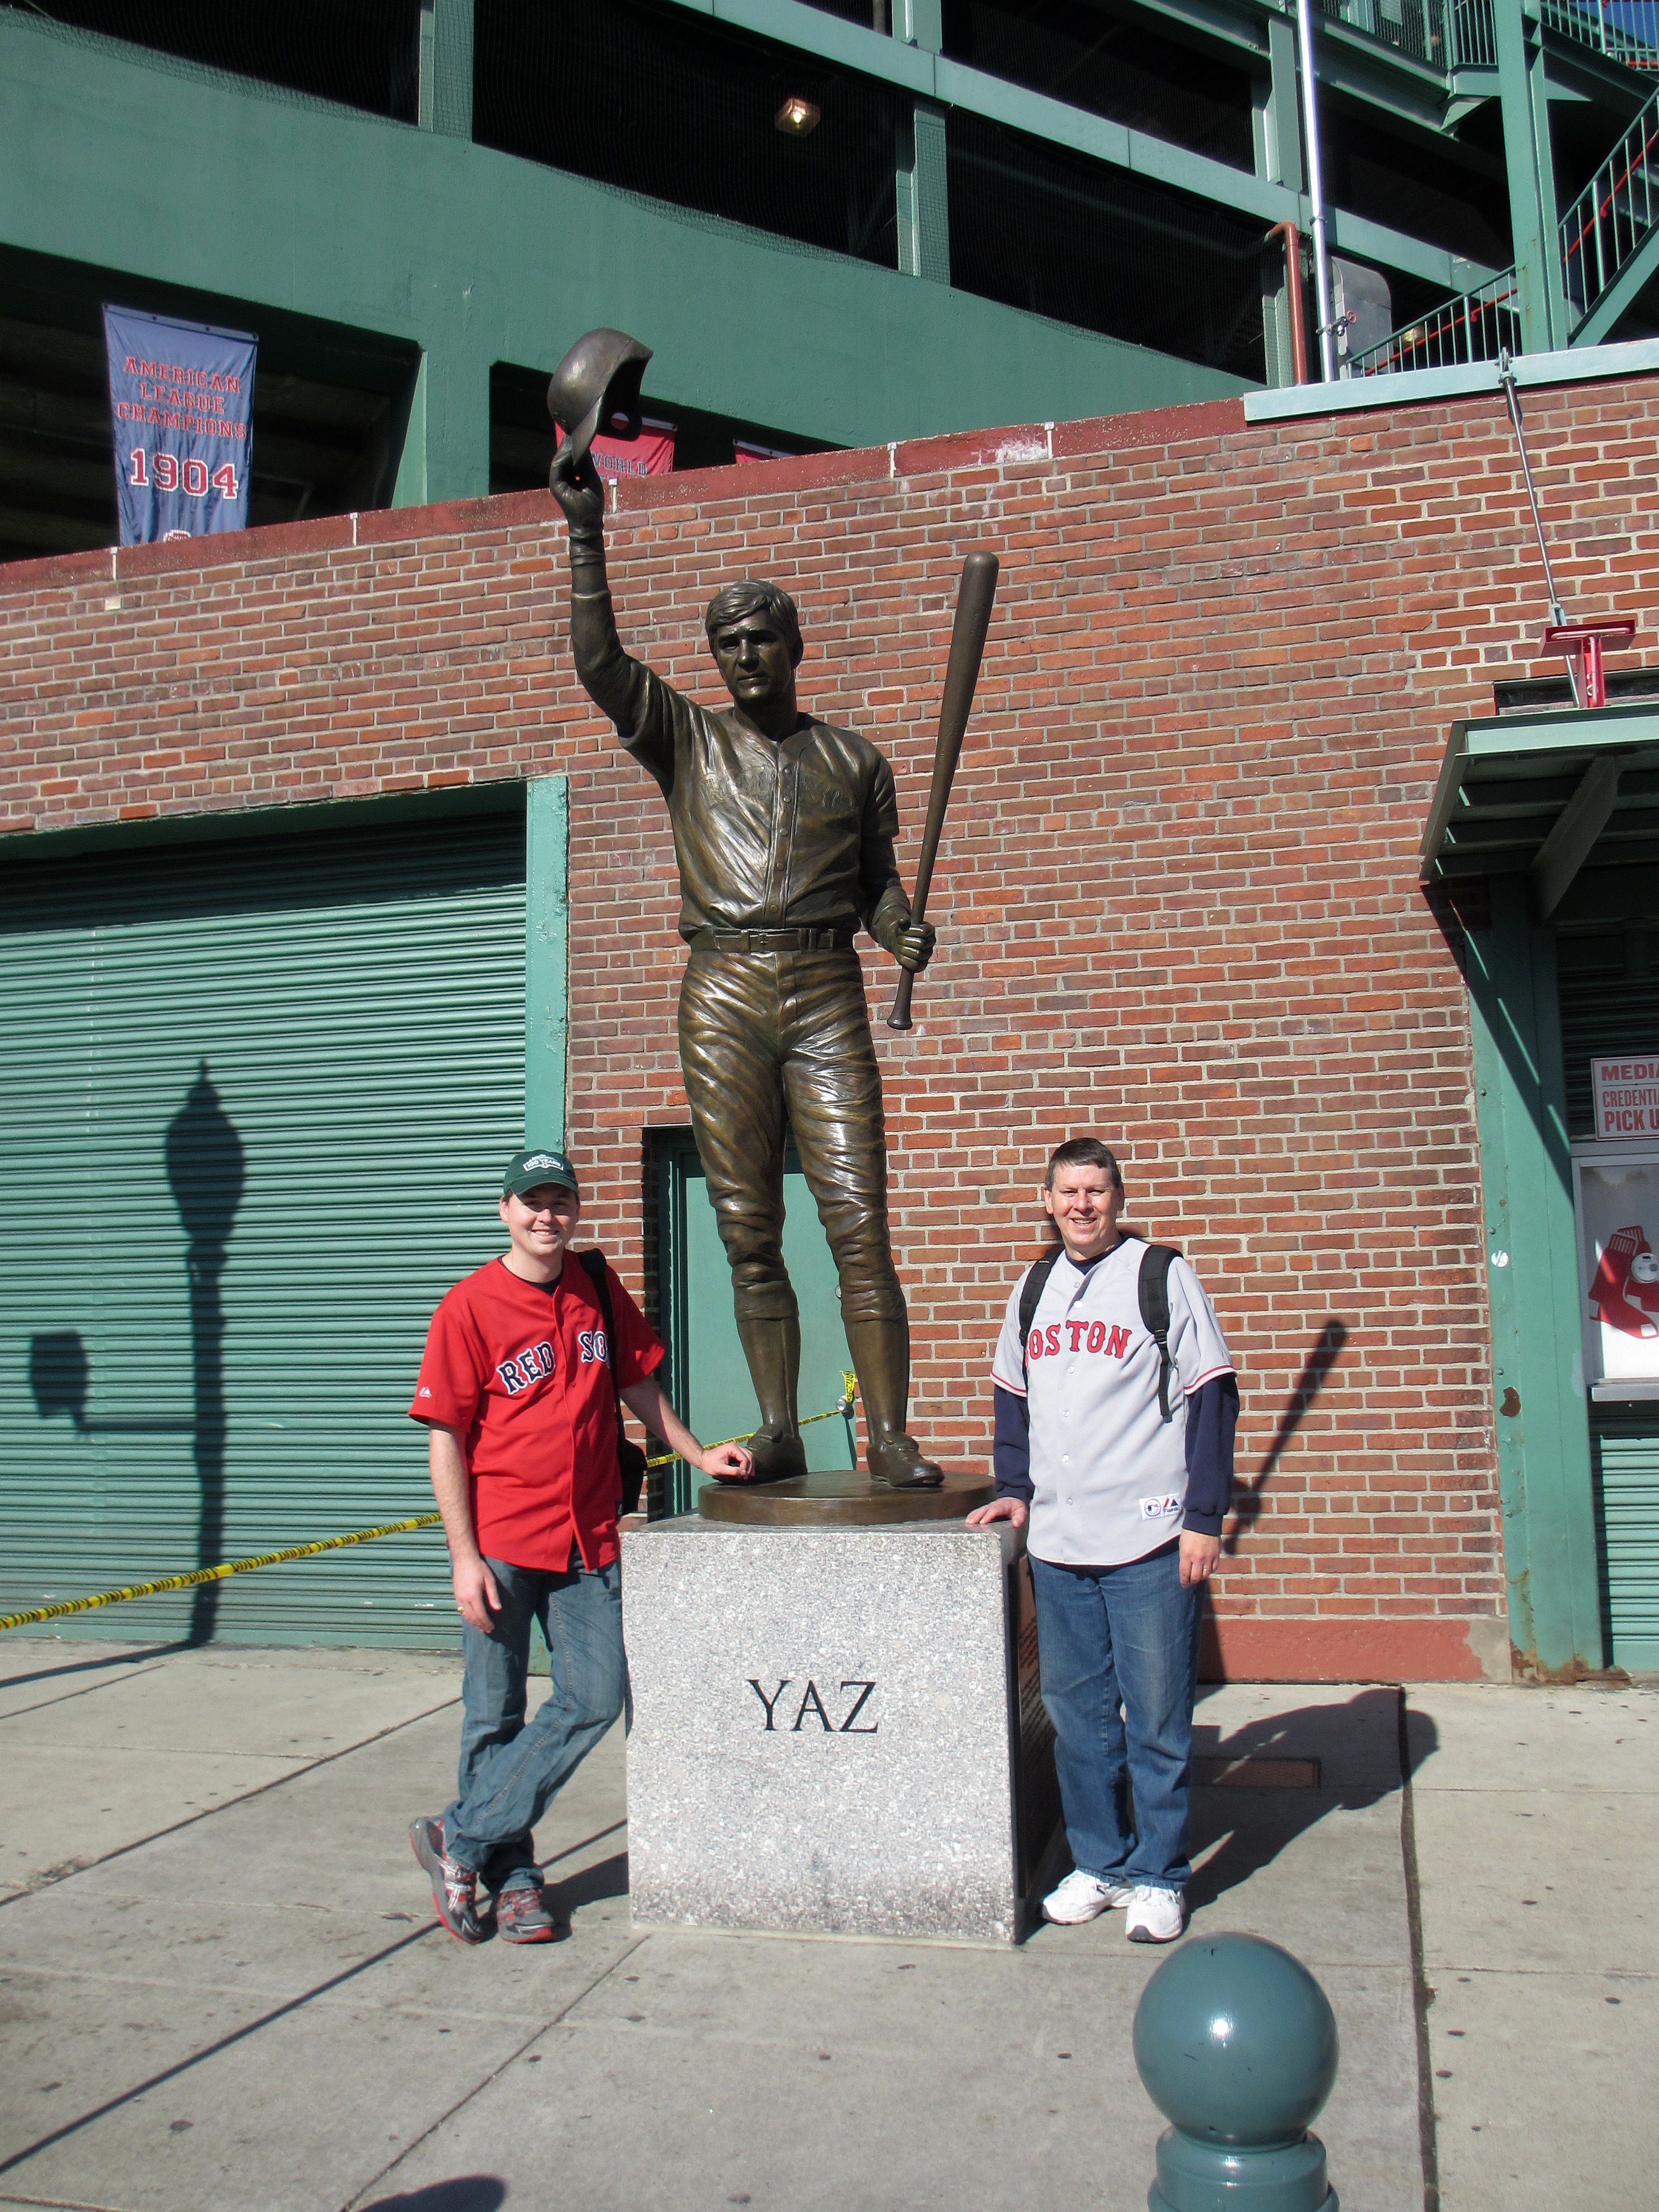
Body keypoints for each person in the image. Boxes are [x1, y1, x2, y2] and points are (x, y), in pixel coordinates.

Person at [547, 451, 942, 1490]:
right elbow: (600, 664)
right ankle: (779, 1428)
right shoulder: (686, 738)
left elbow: (878, 888)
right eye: (727, 643)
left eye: (762, 637)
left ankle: (890, 1435)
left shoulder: (855, 761)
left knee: (859, 1220)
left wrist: (900, 932)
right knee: (747, 1228)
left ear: (795, 645)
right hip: (722, 989)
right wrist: (586, 535)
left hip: (824, 991)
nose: (745, 655)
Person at [406, 1145, 752, 1943]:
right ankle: (514, 1881)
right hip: (501, 1543)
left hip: (587, 1540)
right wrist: (462, 1557)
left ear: (575, 1210)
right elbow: (445, 1438)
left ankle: (459, 1837)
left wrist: (698, 1454)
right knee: (493, 1717)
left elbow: (636, 1384)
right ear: (505, 1210)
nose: (547, 1216)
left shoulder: (595, 1285)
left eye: (560, 1201)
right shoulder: (467, 1308)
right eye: (532, 1202)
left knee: (595, 1698)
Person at [967, 1138, 1238, 1944]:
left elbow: (1213, 1394)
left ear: (1117, 1197)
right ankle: (1100, 1862)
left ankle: (1159, 1875)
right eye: (1068, 1192)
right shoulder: (1034, 1287)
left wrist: (1204, 1517)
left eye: (1096, 1190)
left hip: (1149, 1536)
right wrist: (1014, 1489)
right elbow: (1011, 1396)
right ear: (1048, 1201)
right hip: (1059, 1545)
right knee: (1077, 1717)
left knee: (1156, 1718)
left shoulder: (1161, 1275)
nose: (1082, 1205)